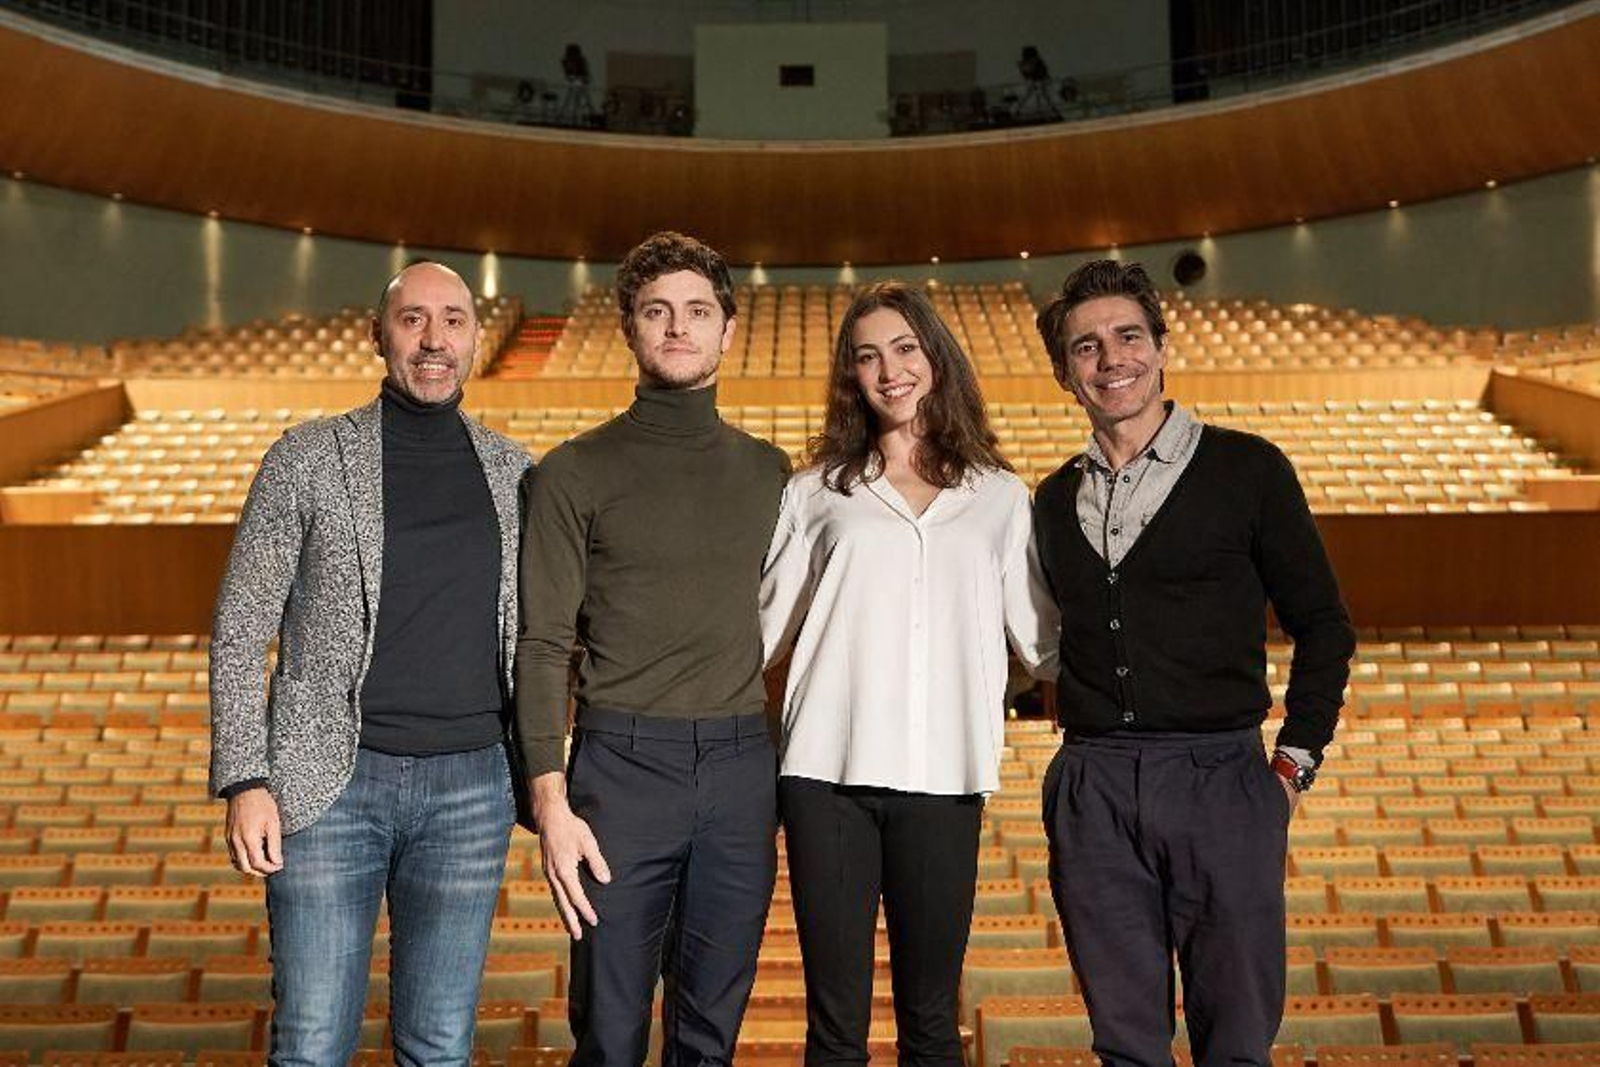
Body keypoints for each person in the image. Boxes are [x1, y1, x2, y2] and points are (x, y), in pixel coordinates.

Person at [1031, 260, 1356, 1067]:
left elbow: (1324, 626)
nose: (1112, 359)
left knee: (1237, 1039)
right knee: (1125, 1044)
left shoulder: (1249, 469)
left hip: (1222, 779)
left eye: (1129, 336)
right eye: (1087, 347)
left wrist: (1291, 764)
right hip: (1094, 782)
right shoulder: (1049, 498)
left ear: (1163, 346)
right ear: (1066, 372)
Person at [209, 261, 533, 1066]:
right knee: (313, 1042)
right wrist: (246, 778)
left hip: (471, 790)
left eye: (453, 321)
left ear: (474, 338)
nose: (434, 340)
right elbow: (240, 625)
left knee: (439, 1045)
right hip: (327, 790)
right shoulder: (307, 457)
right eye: (414, 320)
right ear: (378, 334)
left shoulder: (516, 471)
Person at [760, 281, 1059, 1067]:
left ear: (935, 357)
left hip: (944, 777)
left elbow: (1044, 641)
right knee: (836, 1025)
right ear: (850, 377)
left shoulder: (998, 497)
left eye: (904, 348)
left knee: (931, 1022)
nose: (889, 370)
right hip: (826, 778)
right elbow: (758, 633)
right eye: (868, 356)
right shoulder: (813, 492)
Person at [515, 231, 792, 1066]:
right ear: (630, 328)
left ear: (728, 331)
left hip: (745, 767)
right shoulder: (570, 473)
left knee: (710, 1031)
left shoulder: (773, 472)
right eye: (657, 311)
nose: (678, 326)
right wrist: (550, 804)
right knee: (609, 1028)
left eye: (697, 311)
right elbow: (541, 644)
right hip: (620, 770)